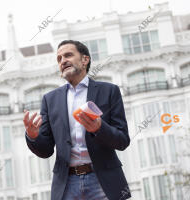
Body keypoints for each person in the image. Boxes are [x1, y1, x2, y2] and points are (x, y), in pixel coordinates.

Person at [23, 40, 131, 200]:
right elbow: (45, 150)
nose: (63, 61)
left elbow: (122, 141)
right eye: (59, 59)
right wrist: (32, 136)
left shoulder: (109, 91)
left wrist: (99, 128)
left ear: (84, 60)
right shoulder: (50, 99)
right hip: (67, 184)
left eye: (68, 55)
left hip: (103, 181)